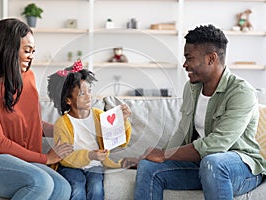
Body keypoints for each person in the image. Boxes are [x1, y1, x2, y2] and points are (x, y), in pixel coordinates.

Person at [131, 24, 266, 200]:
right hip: (203, 165)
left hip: (241, 167)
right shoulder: (192, 88)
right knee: (148, 167)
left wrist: (163, 155)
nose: (185, 64)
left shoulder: (241, 92)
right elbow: (182, 131)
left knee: (214, 162)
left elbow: (217, 145)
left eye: (189, 58)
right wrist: (151, 157)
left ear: (211, 58)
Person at [0, 18, 74, 200]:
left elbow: (32, 125)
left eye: (33, 51)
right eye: (27, 50)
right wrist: (46, 158)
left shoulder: (29, 78)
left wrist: (65, 129)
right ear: (7, 50)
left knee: (63, 188)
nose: (31, 56)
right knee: (40, 182)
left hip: (22, 161)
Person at [48, 60, 132, 200]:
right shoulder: (62, 124)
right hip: (70, 166)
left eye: (90, 91)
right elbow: (65, 157)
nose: (89, 96)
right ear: (68, 100)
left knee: (96, 188)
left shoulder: (99, 116)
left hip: (95, 165)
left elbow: (119, 142)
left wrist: (122, 121)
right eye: (82, 94)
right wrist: (89, 155)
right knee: (76, 188)